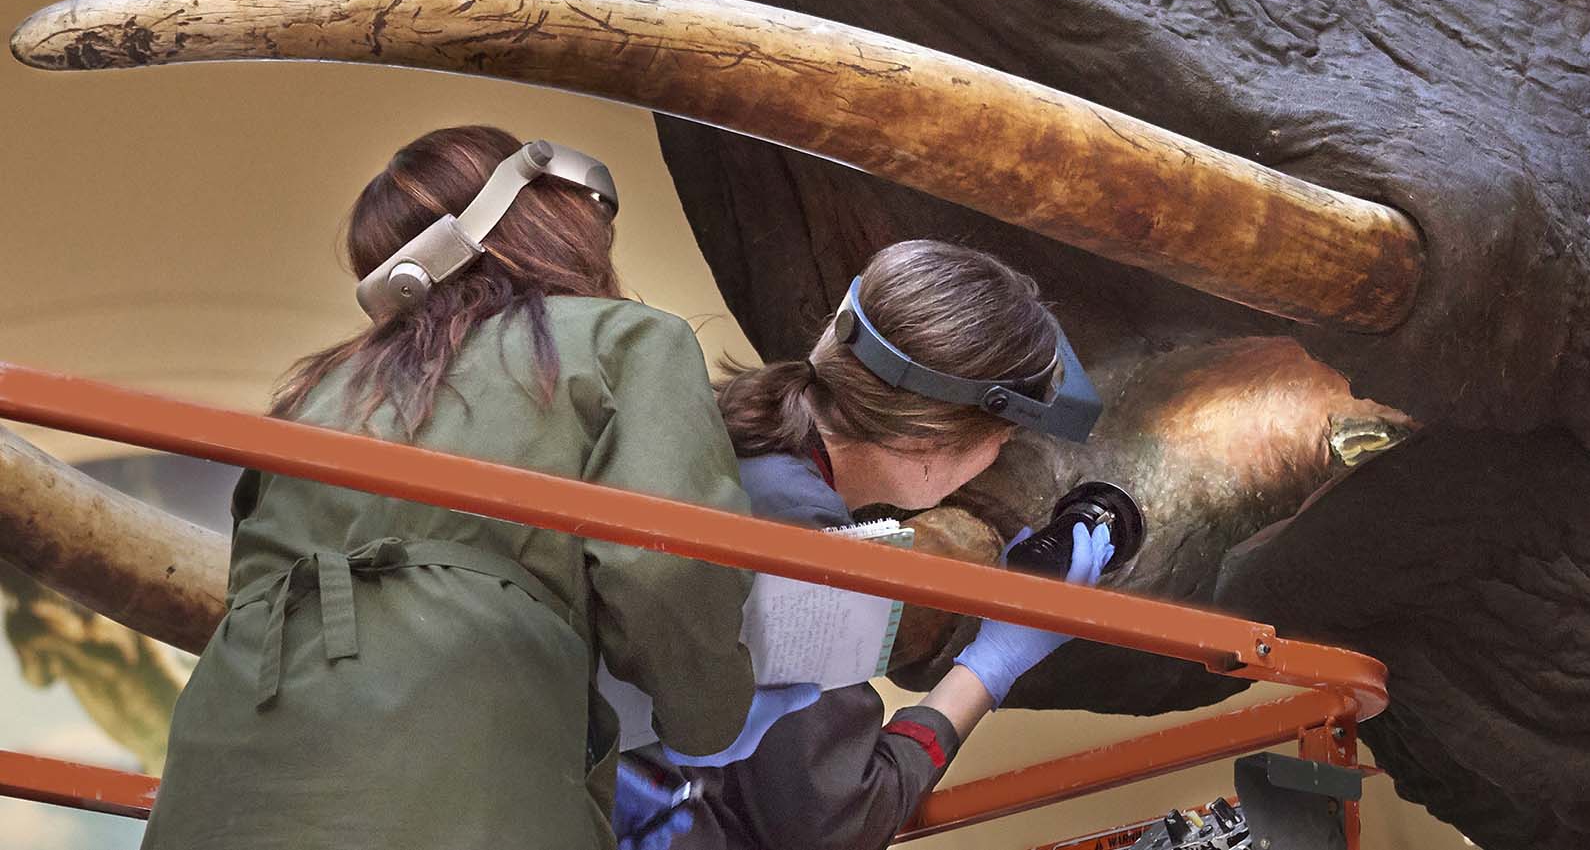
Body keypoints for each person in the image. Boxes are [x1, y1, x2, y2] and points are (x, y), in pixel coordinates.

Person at [141, 126, 774, 850]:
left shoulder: (309, 398)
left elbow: (249, 585)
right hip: (461, 786)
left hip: (221, 788)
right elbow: (666, 564)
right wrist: (712, 715)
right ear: (546, 217)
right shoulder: (623, 338)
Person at [614, 239, 1114, 850]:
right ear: (932, 439)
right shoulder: (801, 538)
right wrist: (995, 662)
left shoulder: (725, 436)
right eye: (1002, 440)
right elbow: (833, 823)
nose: (995, 457)